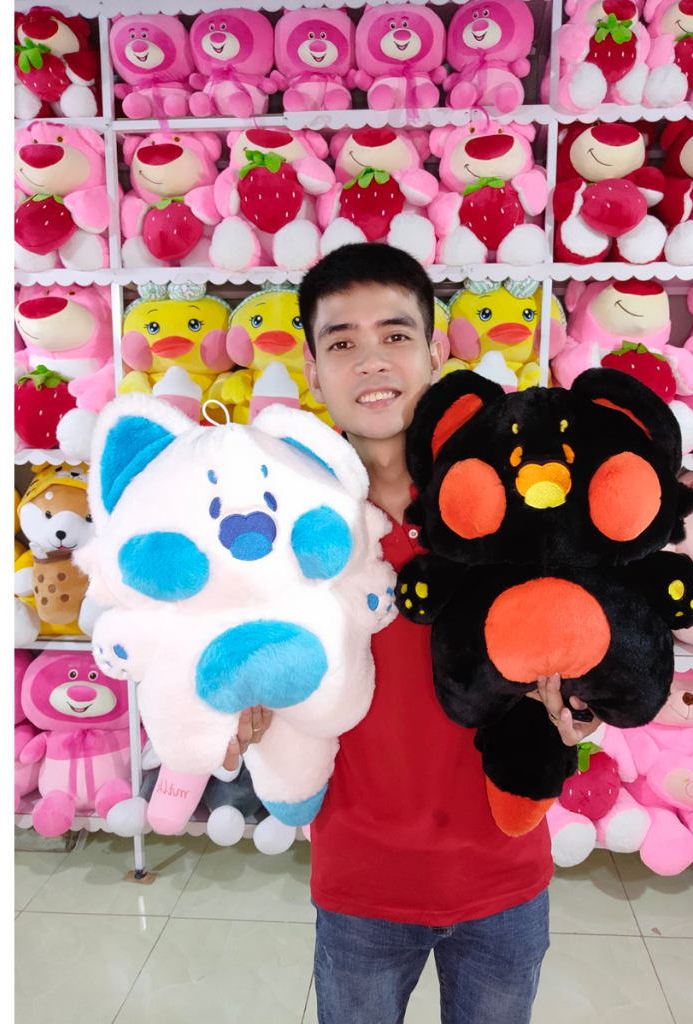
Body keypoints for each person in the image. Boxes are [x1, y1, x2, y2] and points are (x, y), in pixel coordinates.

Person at [227, 243, 603, 1024]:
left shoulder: (516, 502)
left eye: (395, 335)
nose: (372, 361)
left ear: (436, 351)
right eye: (343, 342)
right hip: (360, 886)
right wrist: (235, 711)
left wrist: (583, 699)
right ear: (312, 368)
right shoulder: (284, 522)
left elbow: (582, 640)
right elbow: (232, 660)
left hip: (505, 875)